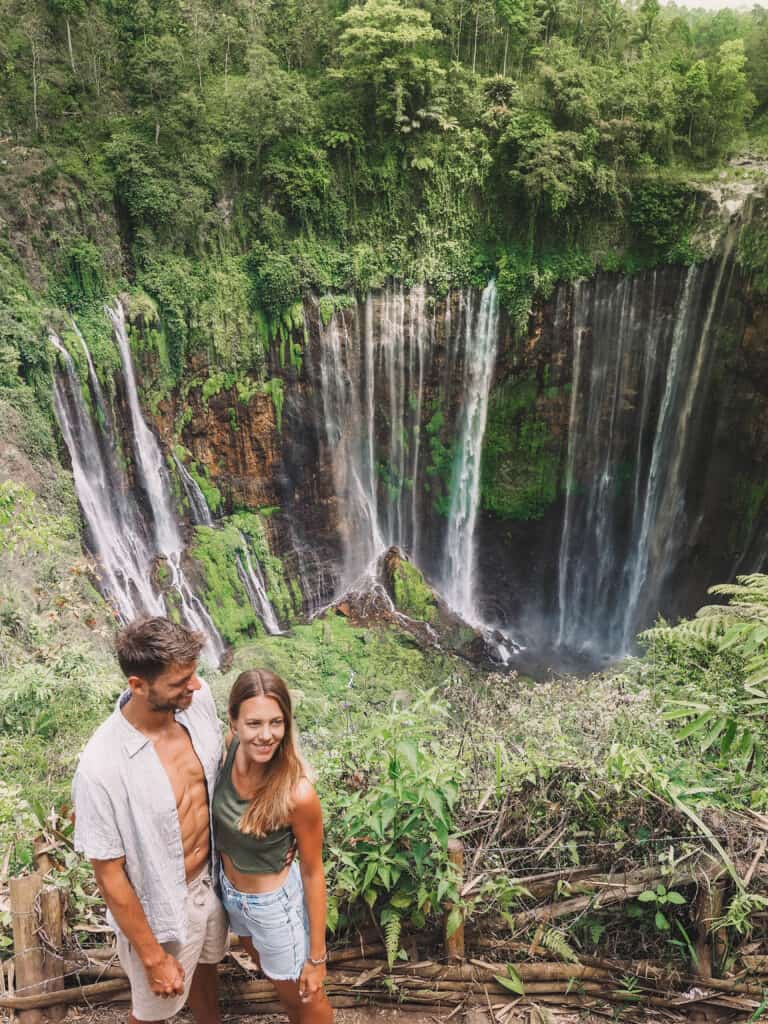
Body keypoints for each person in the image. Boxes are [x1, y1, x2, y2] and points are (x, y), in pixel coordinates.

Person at [72, 617, 228, 1024]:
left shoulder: (198, 702)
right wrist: (153, 956)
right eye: (180, 683)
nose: (193, 686)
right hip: (161, 908)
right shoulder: (101, 767)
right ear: (138, 685)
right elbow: (108, 873)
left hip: (210, 886)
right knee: (154, 1008)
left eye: (194, 675)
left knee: (205, 972)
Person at [213, 668, 333, 1024]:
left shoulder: (297, 793)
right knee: (282, 988)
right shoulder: (228, 749)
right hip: (232, 897)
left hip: (272, 908)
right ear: (233, 722)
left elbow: (312, 872)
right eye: (254, 723)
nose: (266, 736)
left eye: (276, 723)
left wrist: (317, 957)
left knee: (305, 999)